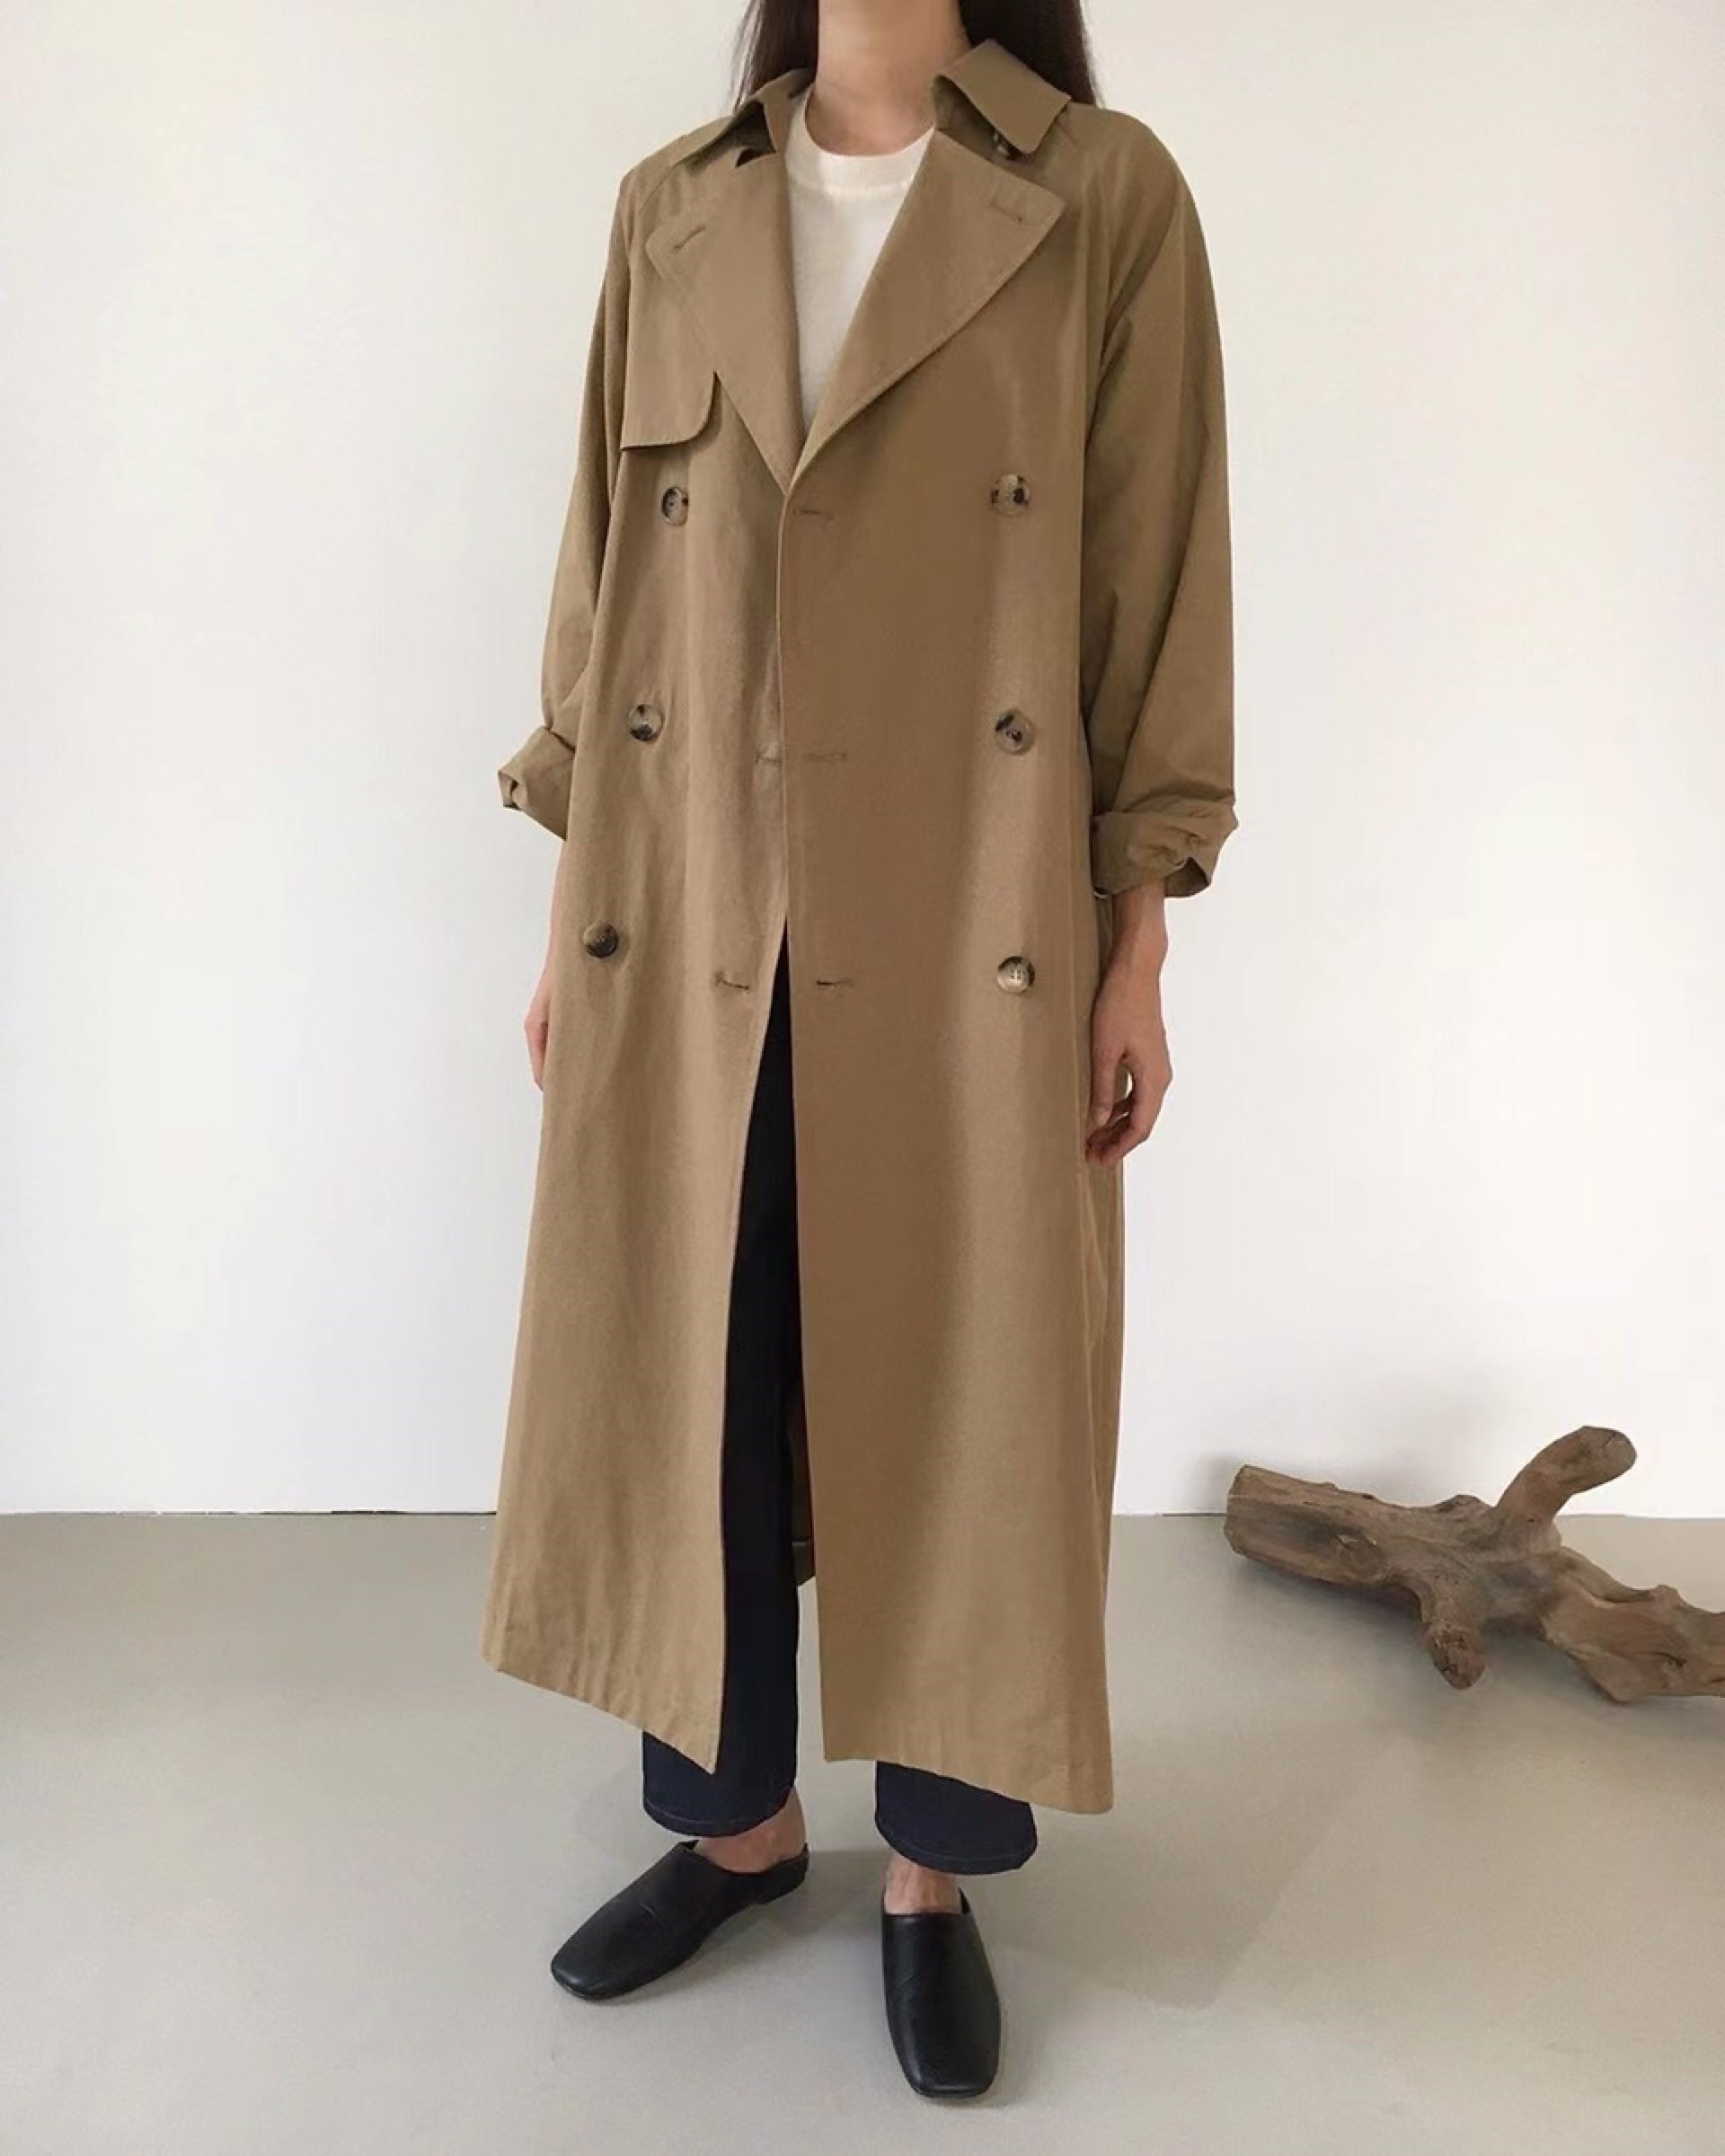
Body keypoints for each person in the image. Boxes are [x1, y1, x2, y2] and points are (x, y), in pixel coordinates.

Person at [483, 0, 1235, 2101]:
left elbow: (1157, 581)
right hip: (696, 897)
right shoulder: (673, 207)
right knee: (696, 1368)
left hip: (973, 902)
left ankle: (929, 1875)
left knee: (968, 1380)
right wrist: (575, 922)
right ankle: (733, 1828)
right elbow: (606, 593)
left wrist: (1138, 941)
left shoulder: (1100, 196)